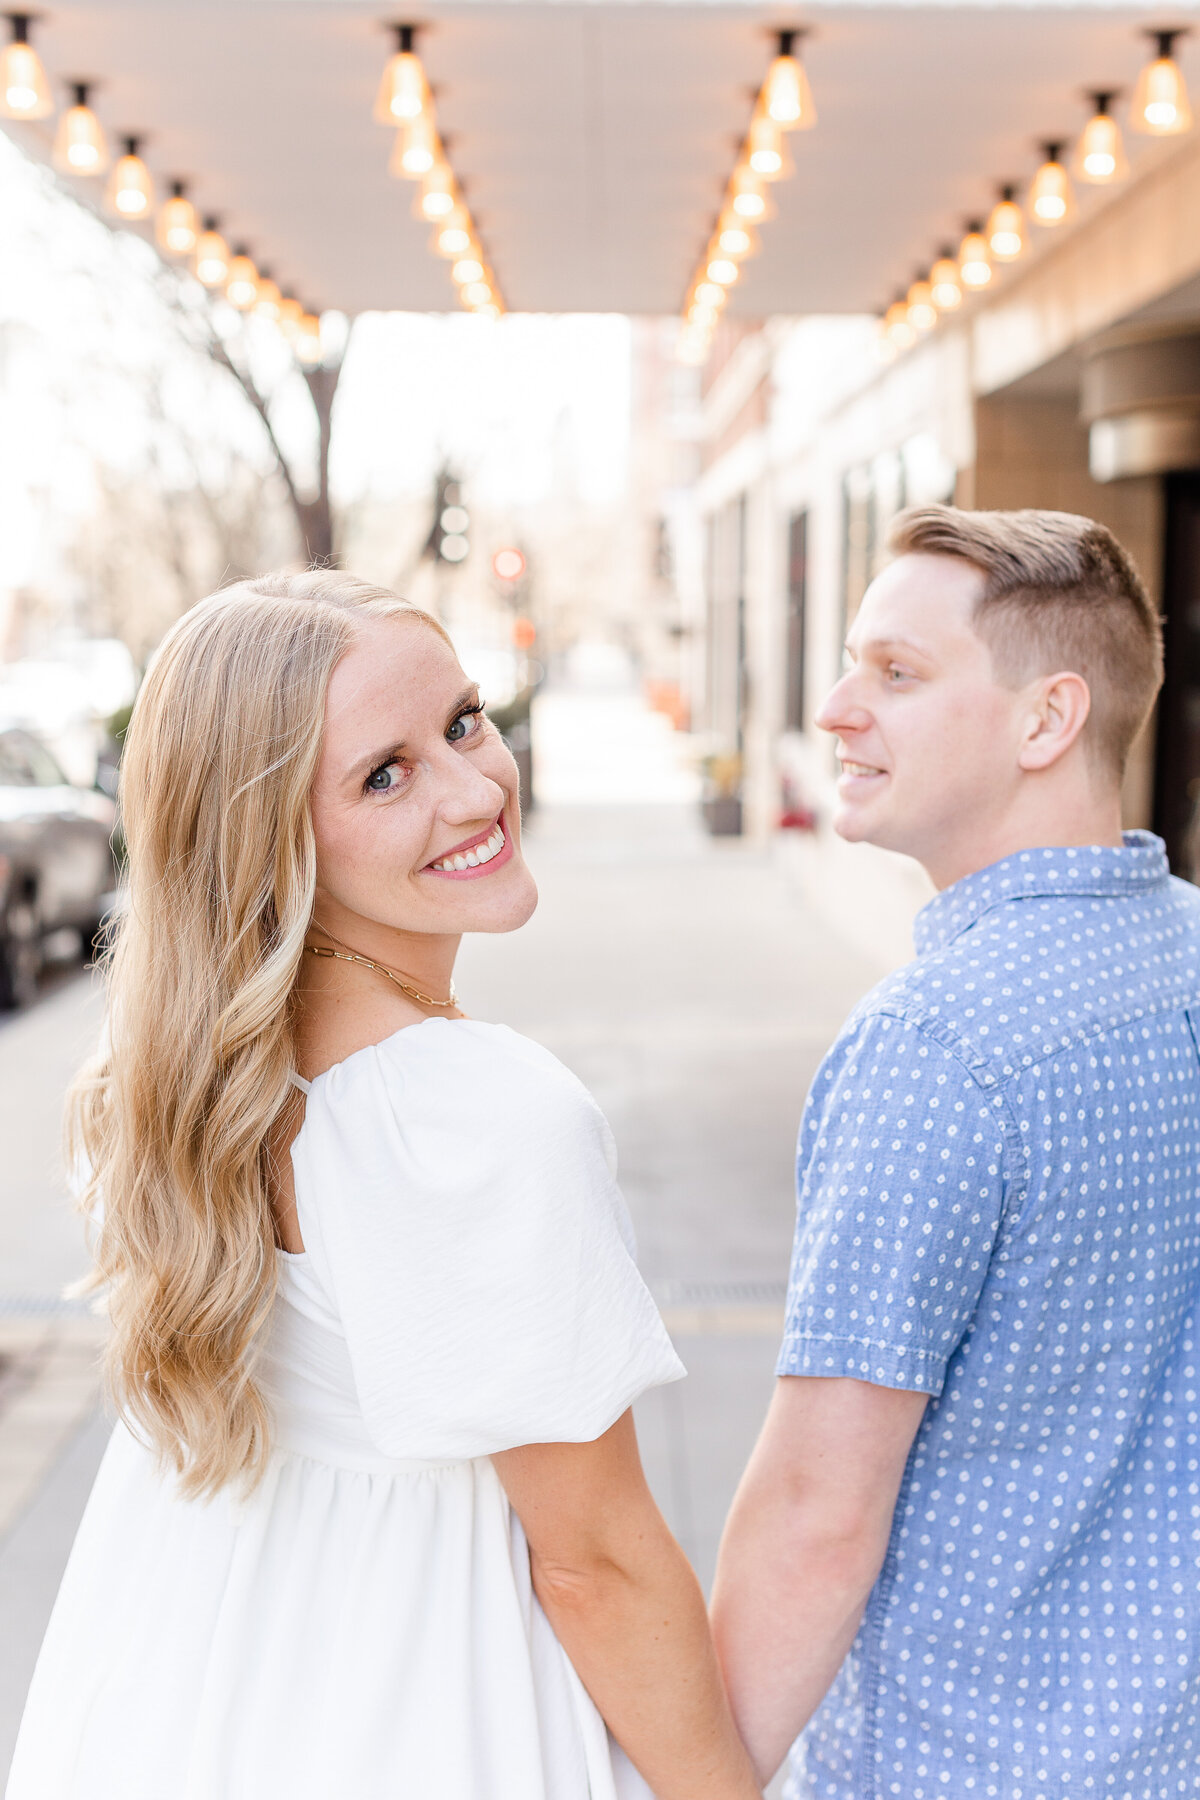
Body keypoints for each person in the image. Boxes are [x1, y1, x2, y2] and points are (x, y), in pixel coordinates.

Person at [8, 572, 762, 1800]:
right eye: (384, 774)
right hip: (428, 1702)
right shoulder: (476, 1121)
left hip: (195, 1686)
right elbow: (597, 1567)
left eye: (464, 721)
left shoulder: (180, 1084)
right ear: (272, 835)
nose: (477, 788)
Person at [712, 505, 1200, 1799]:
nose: (834, 708)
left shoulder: (934, 1052)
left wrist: (693, 1778)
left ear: (1046, 721)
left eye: (897, 673)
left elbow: (818, 1518)